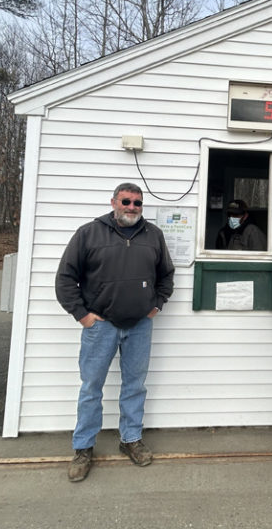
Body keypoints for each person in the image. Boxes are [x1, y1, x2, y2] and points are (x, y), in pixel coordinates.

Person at [55, 182, 175, 482]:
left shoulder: (153, 236)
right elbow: (66, 278)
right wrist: (82, 316)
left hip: (139, 325)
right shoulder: (89, 233)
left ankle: (130, 440)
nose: (132, 207)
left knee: (135, 385)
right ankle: (83, 448)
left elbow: (166, 275)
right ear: (113, 202)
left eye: (137, 203)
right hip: (101, 326)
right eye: (126, 201)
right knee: (91, 388)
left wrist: (156, 305)